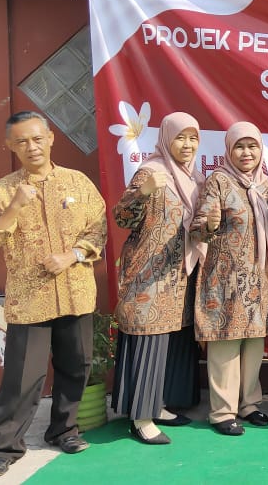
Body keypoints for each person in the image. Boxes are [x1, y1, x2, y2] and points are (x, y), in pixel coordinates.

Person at [0, 111, 106, 479]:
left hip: (76, 292)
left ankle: (64, 430)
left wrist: (72, 255)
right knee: (22, 377)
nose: (31, 147)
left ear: (50, 138)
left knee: (76, 366)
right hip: (30, 299)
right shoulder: (3, 191)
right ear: (10, 146)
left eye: (37, 138)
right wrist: (15, 206)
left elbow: (98, 229)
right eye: (22, 141)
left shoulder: (78, 182)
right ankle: (4, 448)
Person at [111, 112, 206, 445]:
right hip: (148, 274)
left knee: (172, 340)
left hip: (180, 275)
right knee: (149, 339)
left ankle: (160, 404)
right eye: (180, 137)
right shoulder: (150, 171)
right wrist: (142, 192)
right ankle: (141, 417)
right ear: (166, 138)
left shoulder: (194, 177)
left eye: (193, 138)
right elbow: (122, 218)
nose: (187, 144)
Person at [191, 122, 268, 436]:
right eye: (239, 146)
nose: (246, 153)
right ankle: (222, 411)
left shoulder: (267, 185)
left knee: (254, 341)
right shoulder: (218, 180)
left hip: (260, 277)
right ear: (229, 150)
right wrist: (210, 224)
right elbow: (198, 229)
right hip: (225, 277)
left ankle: (249, 404)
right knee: (226, 342)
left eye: (252, 146)